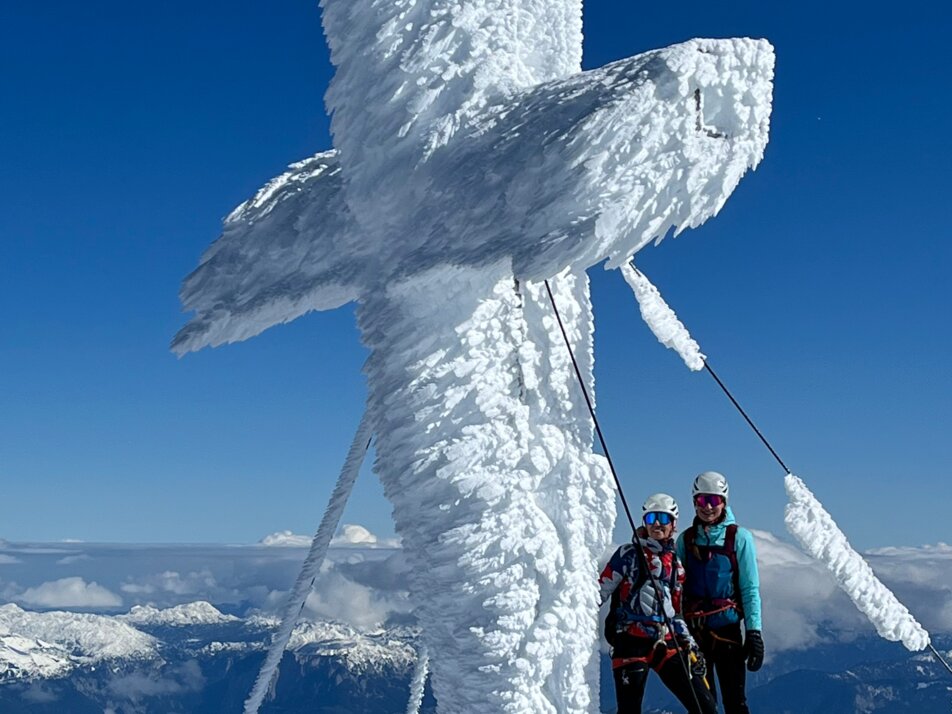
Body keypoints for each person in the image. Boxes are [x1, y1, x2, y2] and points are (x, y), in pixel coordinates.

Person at [600, 493, 717, 714]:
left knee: (705, 707)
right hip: (630, 640)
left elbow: (676, 612)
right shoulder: (628, 555)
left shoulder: (675, 564)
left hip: (666, 640)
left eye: (663, 519)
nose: (656, 524)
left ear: (673, 524)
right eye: (651, 517)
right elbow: (599, 591)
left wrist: (691, 645)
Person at [676, 471, 764, 714]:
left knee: (735, 702)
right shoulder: (686, 540)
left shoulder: (739, 538)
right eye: (702, 500)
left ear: (724, 502)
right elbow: (675, 587)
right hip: (694, 635)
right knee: (703, 705)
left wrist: (754, 632)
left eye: (714, 500)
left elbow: (749, 588)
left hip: (727, 633)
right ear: (694, 502)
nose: (708, 507)